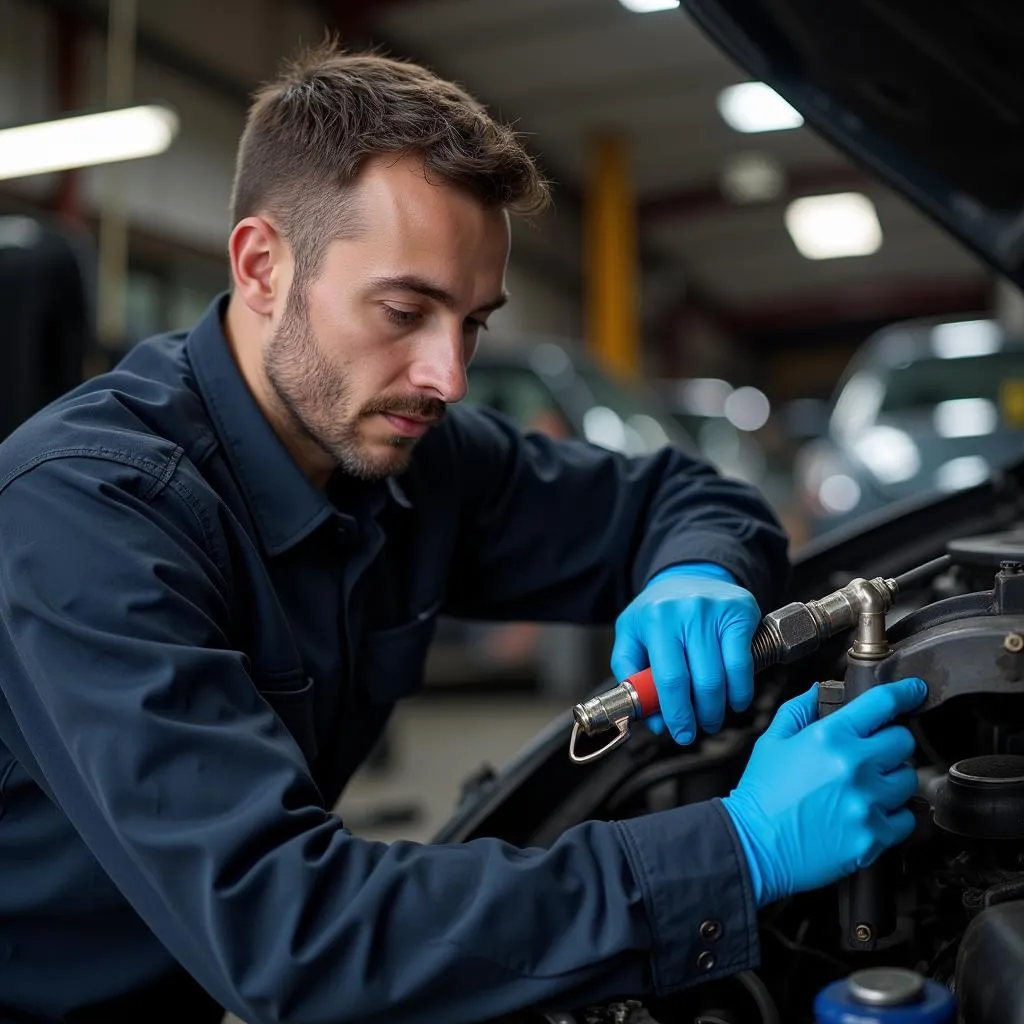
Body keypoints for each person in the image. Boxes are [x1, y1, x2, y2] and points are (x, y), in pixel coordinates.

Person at [0, 43, 927, 1024]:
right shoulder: (85, 518)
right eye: (405, 311)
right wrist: (734, 852)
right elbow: (293, 933)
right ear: (262, 265)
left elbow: (684, 494)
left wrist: (697, 570)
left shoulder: (405, 456)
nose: (447, 376)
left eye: (473, 322)